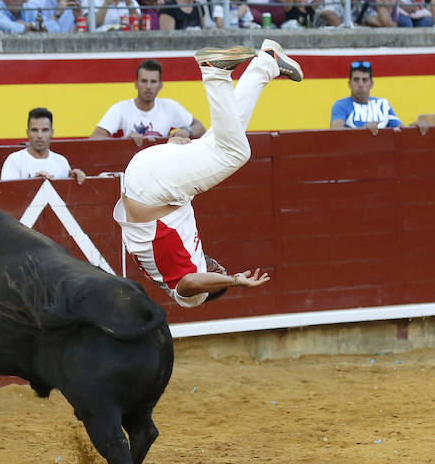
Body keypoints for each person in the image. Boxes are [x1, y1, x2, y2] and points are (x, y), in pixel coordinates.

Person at [112, 42, 299, 307]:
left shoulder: (192, 294)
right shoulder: (182, 257)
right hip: (145, 179)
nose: (218, 265)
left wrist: (233, 281)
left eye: (218, 272)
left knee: (236, 153)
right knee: (225, 137)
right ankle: (266, 63)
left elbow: (190, 284)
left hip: (152, 188)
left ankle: (215, 73)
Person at [90, 58, 204, 144]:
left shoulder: (169, 107)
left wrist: (187, 132)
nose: (148, 86)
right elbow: (94, 139)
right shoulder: (121, 108)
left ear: (160, 85)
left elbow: (200, 128)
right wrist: (123, 141)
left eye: (153, 82)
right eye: (144, 81)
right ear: (136, 84)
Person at [0, 106, 86, 181]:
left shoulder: (61, 162)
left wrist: (75, 179)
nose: (40, 135)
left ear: (52, 133)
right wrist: (34, 183)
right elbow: (8, 195)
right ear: (28, 133)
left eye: (45, 130)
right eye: (35, 130)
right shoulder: (14, 161)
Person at [330, 60, 401, 132]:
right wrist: (362, 131)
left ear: (371, 84)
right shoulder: (341, 105)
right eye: (356, 80)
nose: (360, 84)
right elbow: (336, 131)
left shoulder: (383, 104)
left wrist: (412, 129)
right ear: (349, 83)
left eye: (365, 80)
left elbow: (400, 131)